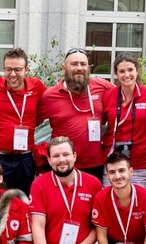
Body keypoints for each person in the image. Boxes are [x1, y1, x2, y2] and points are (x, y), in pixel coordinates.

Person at [29, 136, 102, 244]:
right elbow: (37, 226)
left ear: (74, 156)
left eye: (65, 154)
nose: (61, 160)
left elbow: (98, 225)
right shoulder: (39, 184)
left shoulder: (93, 184)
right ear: (49, 160)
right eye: (56, 156)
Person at [0, 48, 46, 195]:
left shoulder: (36, 87)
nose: (12, 74)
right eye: (8, 69)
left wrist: (33, 123)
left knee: (22, 199)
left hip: (24, 157)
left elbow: (50, 103)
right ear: (4, 69)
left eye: (17, 70)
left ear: (26, 69)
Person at [40, 48, 114, 181]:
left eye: (83, 64)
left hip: (95, 165)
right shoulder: (50, 95)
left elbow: (126, 100)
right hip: (62, 165)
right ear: (64, 67)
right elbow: (29, 121)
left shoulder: (103, 87)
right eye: (74, 64)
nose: (79, 68)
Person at [101, 54, 146, 188]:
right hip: (113, 163)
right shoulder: (108, 95)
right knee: (111, 204)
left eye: (130, 70)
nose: (127, 75)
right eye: (122, 71)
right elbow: (100, 121)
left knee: (139, 205)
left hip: (141, 164)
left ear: (137, 71)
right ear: (116, 74)